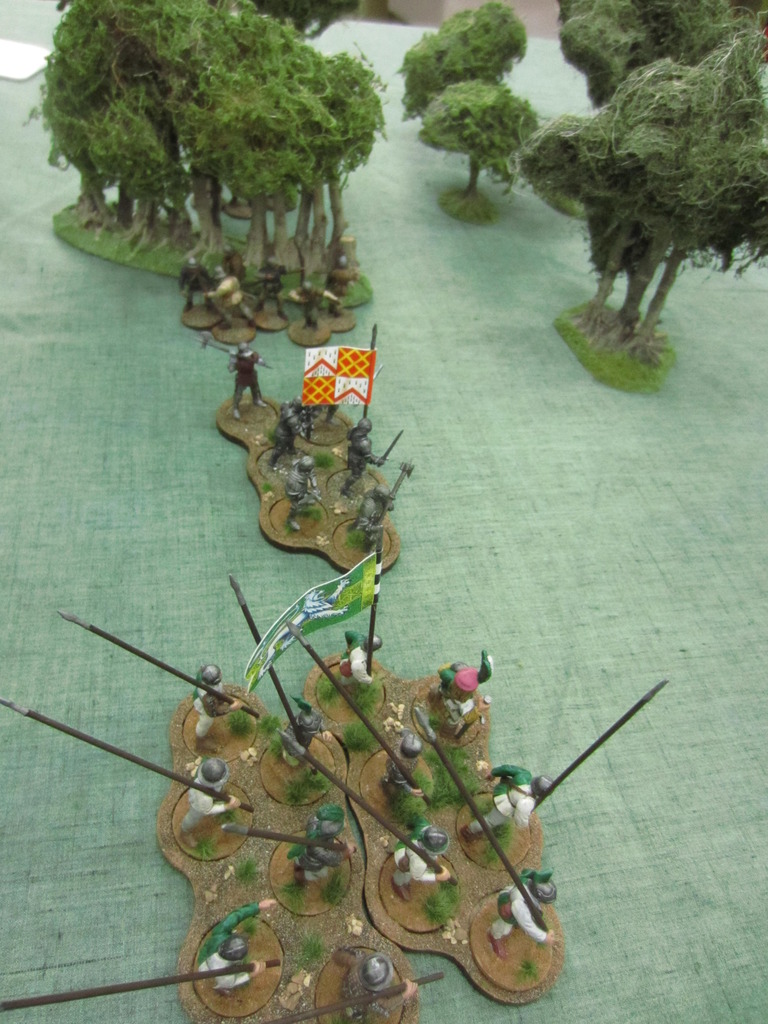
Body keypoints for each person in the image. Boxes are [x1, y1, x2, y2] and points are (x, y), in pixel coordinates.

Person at [197, 898, 277, 992]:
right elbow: (234, 981)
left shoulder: (220, 932)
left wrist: (258, 906)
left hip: (210, 953)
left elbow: (235, 916)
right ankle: (221, 990)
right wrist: (251, 975)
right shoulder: (223, 973)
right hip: (206, 967)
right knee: (223, 985)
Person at [461, 765, 552, 840]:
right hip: (504, 807)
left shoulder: (525, 775)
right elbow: (520, 819)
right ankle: (469, 830)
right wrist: (523, 823)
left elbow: (507, 769)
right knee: (489, 821)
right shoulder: (529, 803)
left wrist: (493, 773)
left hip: (501, 790)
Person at [332, 948, 418, 1020]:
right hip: (355, 1001)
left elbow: (340, 956)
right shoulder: (373, 996)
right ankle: (354, 1014)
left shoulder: (357, 960)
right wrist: (403, 996)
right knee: (355, 1011)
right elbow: (386, 1005)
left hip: (349, 986)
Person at [488, 870, 556, 957]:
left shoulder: (530, 881)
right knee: (504, 927)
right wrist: (544, 937)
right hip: (509, 907)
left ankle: (514, 924)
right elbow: (527, 925)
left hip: (514, 897)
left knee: (522, 916)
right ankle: (494, 937)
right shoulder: (519, 903)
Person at [288, 803, 356, 884]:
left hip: (305, 851)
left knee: (299, 861)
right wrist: (345, 854)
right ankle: (300, 878)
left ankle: (298, 866)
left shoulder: (314, 821)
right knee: (319, 873)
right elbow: (332, 859)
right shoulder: (316, 848)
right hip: (312, 862)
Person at [433, 650, 493, 737]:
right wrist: (479, 709)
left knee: (437, 691)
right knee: (453, 721)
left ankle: (435, 701)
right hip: (452, 703)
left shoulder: (449, 677)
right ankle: (445, 733)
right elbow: (468, 719)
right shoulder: (465, 703)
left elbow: (441, 669)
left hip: (445, 692)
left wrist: (451, 666)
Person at [391, 819, 450, 901]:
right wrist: (436, 877)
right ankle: (398, 883)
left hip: (405, 843)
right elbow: (417, 876)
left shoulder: (423, 825)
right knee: (406, 873)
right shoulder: (419, 863)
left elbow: (413, 819)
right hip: (403, 859)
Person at [181, 757, 240, 834]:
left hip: (210, 794)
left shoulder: (206, 767)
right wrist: (227, 807)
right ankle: (184, 831)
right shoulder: (204, 799)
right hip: (197, 805)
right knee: (192, 818)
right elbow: (208, 810)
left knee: (216, 797)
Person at [193, 664, 243, 745]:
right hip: (204, 706)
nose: (221, 674)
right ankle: (200, 738)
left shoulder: (202, 675)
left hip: (213, 698)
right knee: (206, 721)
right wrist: (230, 708)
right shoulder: (208, 697)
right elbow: (213, 712)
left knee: (217, 701)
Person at [341, 419, 385, 497]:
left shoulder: (354, 431)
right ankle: (345, 489)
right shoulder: (364, 443)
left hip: (353, 454)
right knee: (355, 475)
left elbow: (348, 437)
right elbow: (368, 457)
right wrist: (377, 460)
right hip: (357, 460)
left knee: (358, 472)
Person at [228, 342, 267, 419]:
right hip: (242, 377)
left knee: (255, 389)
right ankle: (235, 409)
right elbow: (231, 370)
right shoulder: (237, 359)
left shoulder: (252, 355)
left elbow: (258, 358)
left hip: (251, 375)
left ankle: (256, 400)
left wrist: (261, 361)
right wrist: (232, 359)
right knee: (238, 394)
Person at [382, 730, 424, 798]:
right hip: (393, 771)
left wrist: (401, 729)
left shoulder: (404, 740)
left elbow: (405, 733)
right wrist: (410, 790)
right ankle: (385, 783)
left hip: (394, 765)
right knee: (393, 782)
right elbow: (399, 782)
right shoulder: (399, 766)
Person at [285, 455, 321, 531]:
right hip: (294, 494)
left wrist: (315, 487)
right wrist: (308, 497)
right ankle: (290, 519)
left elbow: (312, 474)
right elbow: (293, 494)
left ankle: (306, 502)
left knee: (309, 499)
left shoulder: (301, 467)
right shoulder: (294, 481)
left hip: (302, 488)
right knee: (296, 507)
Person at [269, 398, 304, 468]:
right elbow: (296, 431)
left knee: (290, 441)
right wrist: (303, 426)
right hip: (283, 435)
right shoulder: (292, 419)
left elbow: (282, 407)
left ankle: (291, 450)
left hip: (285, 431)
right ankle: (272, 462)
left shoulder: (286, 405)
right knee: (280, 449)